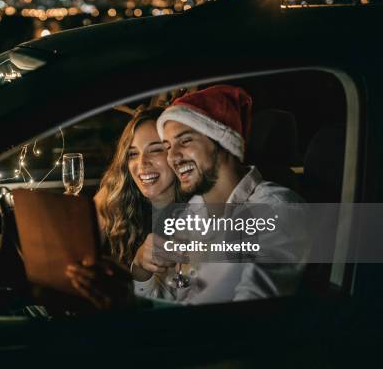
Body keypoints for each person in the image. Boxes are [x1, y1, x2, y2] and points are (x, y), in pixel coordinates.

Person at [131, 84, 306, 303]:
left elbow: (257, 319)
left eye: (185, 141)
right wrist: (140, 268)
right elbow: (168, 297)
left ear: (223, 141)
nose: (172, 157)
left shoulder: (275, 209)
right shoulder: (191, 213)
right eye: (167, 147)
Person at [65, 106, 186, 309]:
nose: (141, 163)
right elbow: (72, 261)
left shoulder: (200, 213)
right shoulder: (115, 197)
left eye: (156, 149)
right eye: (132, 154)